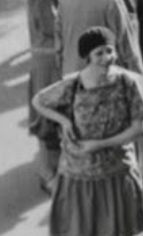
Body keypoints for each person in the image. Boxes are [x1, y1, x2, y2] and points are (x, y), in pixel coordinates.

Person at [32, 27, 143, 236]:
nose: (107, 57)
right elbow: (39, 101)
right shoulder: (72, 84)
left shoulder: (127, 82)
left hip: (117, 173)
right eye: (99, 52)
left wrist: (100, 144)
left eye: (109, 50)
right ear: (87, 56)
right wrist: (63, 121)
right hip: (78, 177)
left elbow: (140, 128)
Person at [56, 0, 143, 78]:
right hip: (106, 80)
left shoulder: (63, 2)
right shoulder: (111, 2)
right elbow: (128, 48)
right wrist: (141, 83)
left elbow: (59, 47)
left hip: (74, 77)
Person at [27, 0, 62, 193]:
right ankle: (47, 173)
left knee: (48, 120)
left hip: (46, 56)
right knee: (47, 121)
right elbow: (50, 26)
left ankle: (50, 171)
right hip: (47, 58)